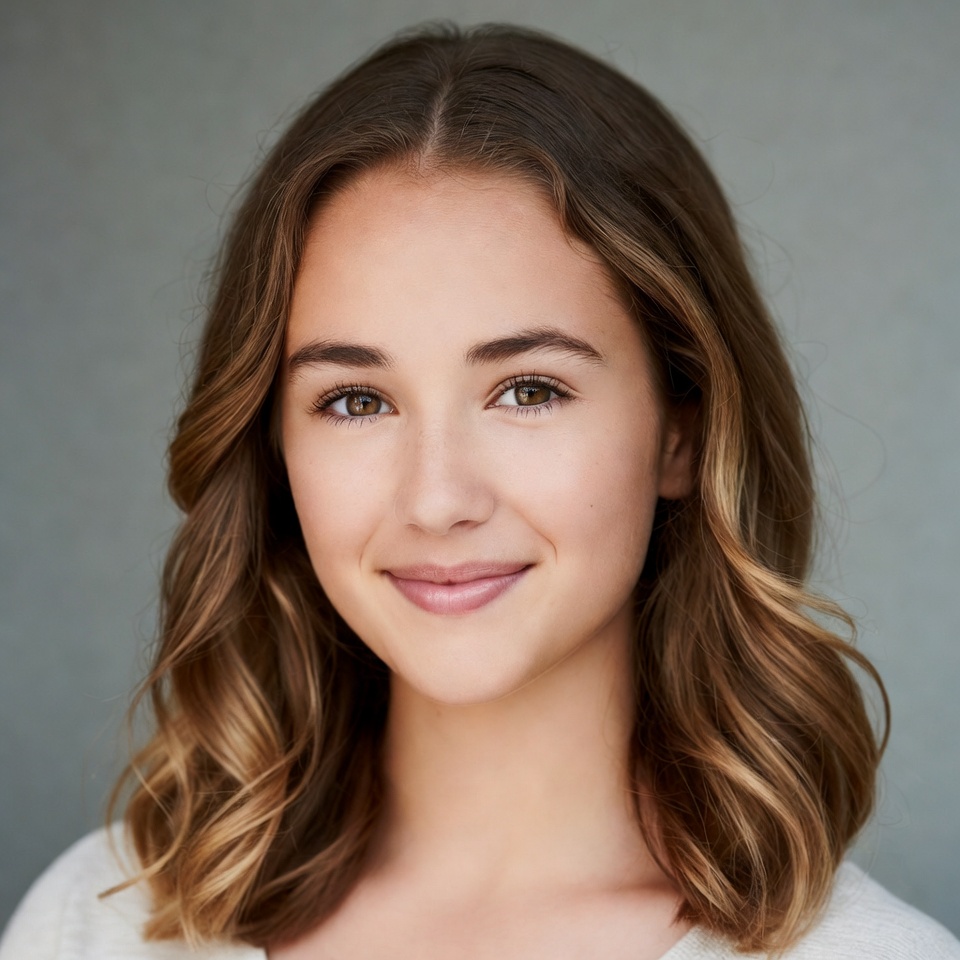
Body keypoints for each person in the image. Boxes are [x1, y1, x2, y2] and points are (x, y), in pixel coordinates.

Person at [2, 22, 958, 960]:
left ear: (682, 430)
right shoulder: (101, 926)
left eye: (529, 389)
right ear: (271, 446)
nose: (437, 499)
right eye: (355, 400)